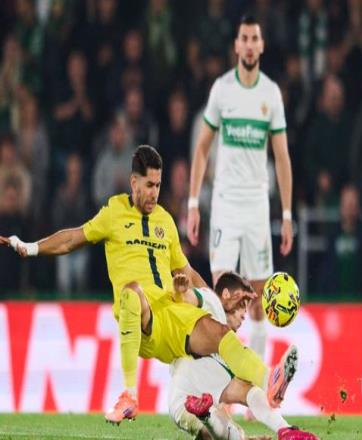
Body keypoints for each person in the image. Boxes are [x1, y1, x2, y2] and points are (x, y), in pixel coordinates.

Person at [0, 145, 278, 425]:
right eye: (149, 185)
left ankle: (271, 381)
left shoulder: (165, 221)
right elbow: (73, 238)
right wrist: (32, 247)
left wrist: (215, 306)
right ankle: (130, 395)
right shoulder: (114, 212)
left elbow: (188, 272)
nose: (154, 192)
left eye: (158, 185)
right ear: (134, 182)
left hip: (172, 313)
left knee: (220, 333)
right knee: (132, 292)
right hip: (142, 317)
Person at [187, 14, 293, 368]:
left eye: (254, 39)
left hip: (256, 206)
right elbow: (202, 147)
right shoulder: (222, 90)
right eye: (244, 38)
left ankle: (254, 379)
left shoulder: (270, 94)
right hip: (225, 203)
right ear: (236, 45)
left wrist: (287, 214)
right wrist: (193, 203)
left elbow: (282, 157)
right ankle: (223, 378)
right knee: (223, 294)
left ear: (261, 45)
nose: (249, 45)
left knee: (257, 300)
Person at [170, 271, 316, 440]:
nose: (244, 314)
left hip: (193, 400)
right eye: (242, 304)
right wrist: (180, 292)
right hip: (186, 389)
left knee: (234, 423)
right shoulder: (212, 303)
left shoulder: (225, 346)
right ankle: (272, 388)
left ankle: (285, 430)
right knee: (240, 394)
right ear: (226, 294)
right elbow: (191, 297)